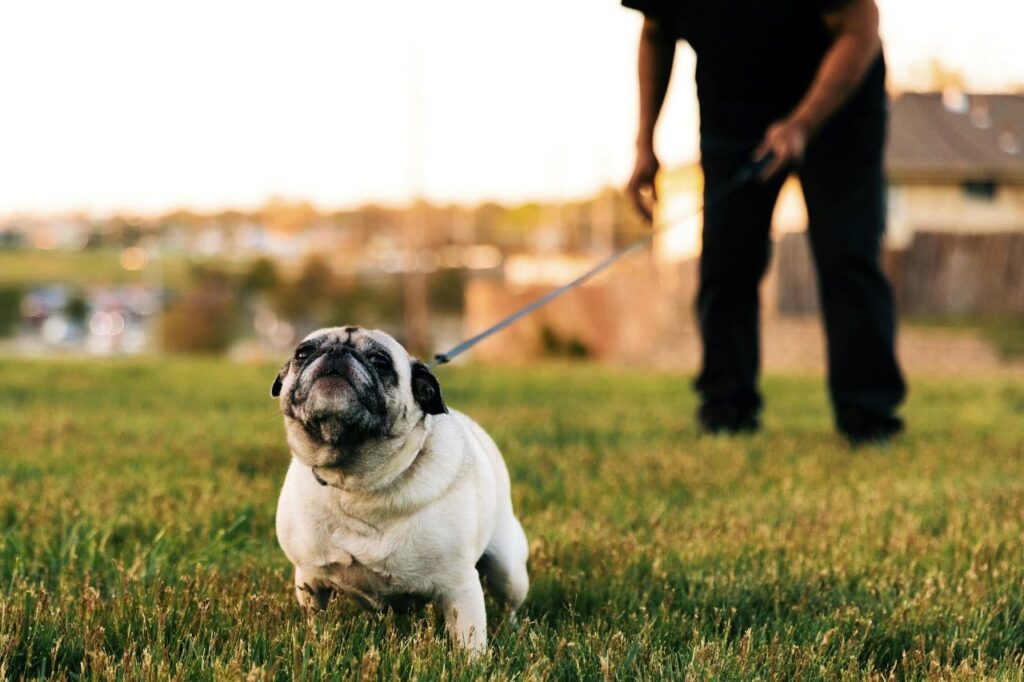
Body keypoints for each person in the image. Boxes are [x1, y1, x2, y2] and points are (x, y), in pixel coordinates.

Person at [623, 0, 905, 444]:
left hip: (841, 102)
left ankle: (867, 415)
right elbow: (657, 32)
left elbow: (861, 26)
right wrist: (645, 144)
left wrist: (802, 123)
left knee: (848, 255)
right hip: (733, 111)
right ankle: (726, 410)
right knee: (726, 260)